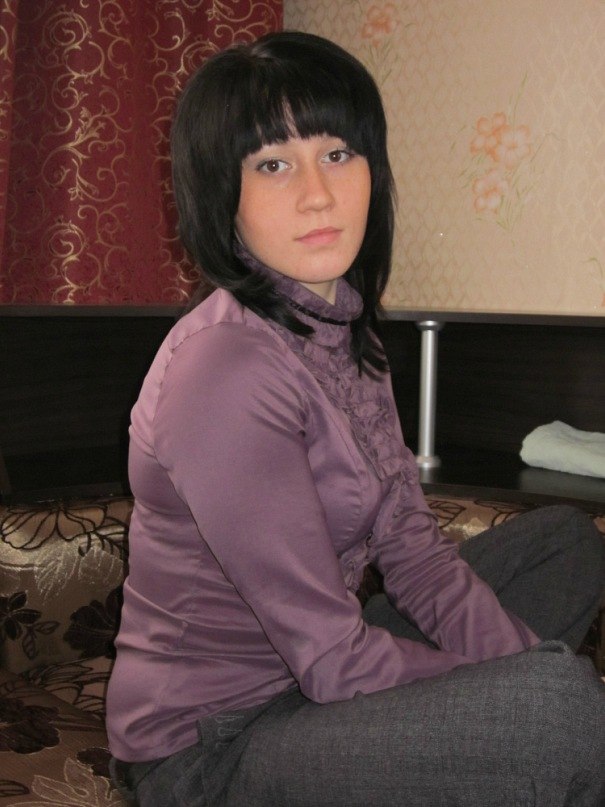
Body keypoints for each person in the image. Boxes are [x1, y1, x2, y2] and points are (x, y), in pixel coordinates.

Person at [106, 31, 605, 806]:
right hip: (211, 749)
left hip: (311, 680)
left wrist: (512, 669)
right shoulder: (225, 371)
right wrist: (519, 688)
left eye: (337, 153)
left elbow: (411, 549)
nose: (317, 193)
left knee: (564, 547)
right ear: (221, 193)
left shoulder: (344, 327)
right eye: (272, 165)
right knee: (558, 712)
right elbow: (333, 660)